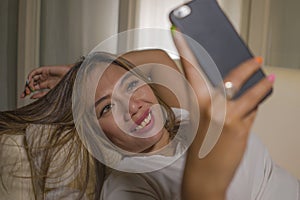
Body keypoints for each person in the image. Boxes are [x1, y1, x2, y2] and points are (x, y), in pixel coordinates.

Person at [1, 30, 299, 200]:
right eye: (106, 108)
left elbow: (156, 58)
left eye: (131, 85)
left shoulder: (185, 117)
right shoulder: (127, 186)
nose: (133, 105)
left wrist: (80, 73)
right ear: (95, 134)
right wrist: (205, 184)